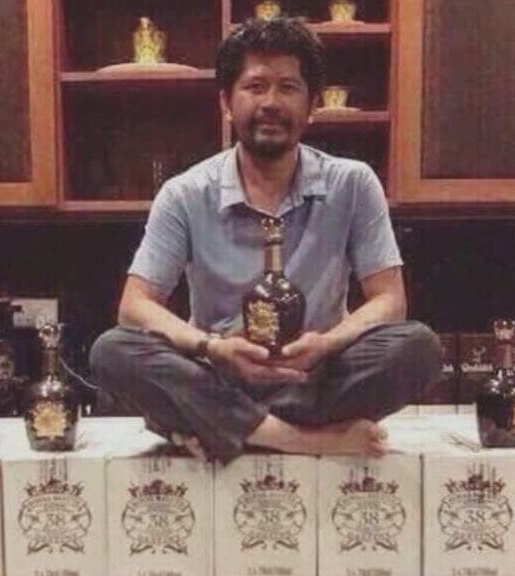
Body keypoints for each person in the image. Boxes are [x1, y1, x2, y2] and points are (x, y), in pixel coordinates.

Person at [89, 16, 441, 463]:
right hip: (217, 376)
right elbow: (134, 306)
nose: (271, 102)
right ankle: (300, 439)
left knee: (417, 348)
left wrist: (326, 344)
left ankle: (219, 426)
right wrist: (212, 348)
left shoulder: (352, 184)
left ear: (312, 105)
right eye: (255, 87)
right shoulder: (185, 194)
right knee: (113, 351)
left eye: (288, 88)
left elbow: (390, 300)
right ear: (226, 102)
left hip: (313, 377)